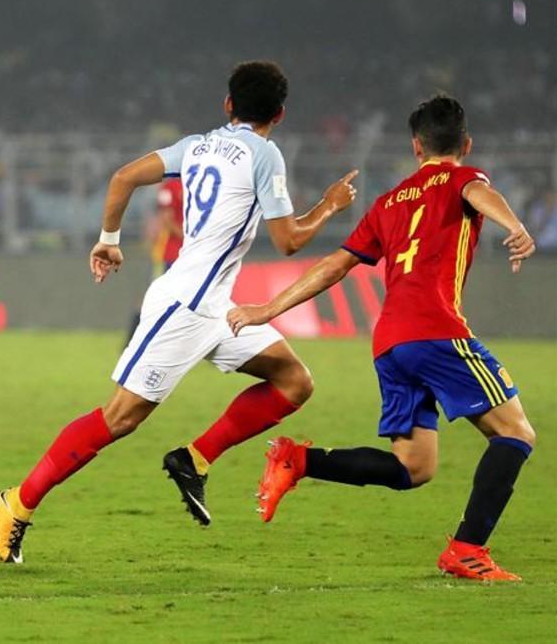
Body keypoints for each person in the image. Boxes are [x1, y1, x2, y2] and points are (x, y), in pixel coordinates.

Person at [0, 61, 358, 563]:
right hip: (186, 306)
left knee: (294, 381)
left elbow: (123, 177)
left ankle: (194, 459)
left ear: (228, 104)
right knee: (119, 418)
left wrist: (109, 240)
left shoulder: (196, 146)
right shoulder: (265, 154)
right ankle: (18, 502)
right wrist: (330, 205)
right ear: (280, 114)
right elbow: (289, 240)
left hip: (215, 306)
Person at [228, 95, 537, 581]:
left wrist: (267, 309)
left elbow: (335, 265)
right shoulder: (463, 178)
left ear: (416, 147)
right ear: (466, 145)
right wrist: (515, 226)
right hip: (436, 332)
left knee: (413, 467)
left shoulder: (388, 202)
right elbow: (479, 193)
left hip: (390, 342)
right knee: (515, 433)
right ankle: (467, 549)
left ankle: (298, 460)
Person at [125, 179, 185, 345]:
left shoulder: (198, 183)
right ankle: (132, 340)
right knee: (154, 297)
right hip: (169, 254)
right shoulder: (171, 187)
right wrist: (191, 239)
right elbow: (166, 219)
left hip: (191, 255)